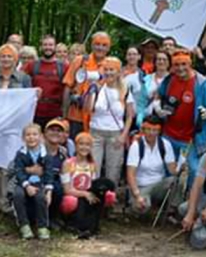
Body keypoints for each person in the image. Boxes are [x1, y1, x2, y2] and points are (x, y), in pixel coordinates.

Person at [156, 51, 206, 200]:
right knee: (167, 168)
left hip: (190, 138)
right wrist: (157, 107)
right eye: (176, 65)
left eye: (184, 64)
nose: (180, 68)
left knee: (194, 170)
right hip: (169, 134)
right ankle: (167, 201)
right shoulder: (169, 80)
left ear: (190, 64)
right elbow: (159, 96)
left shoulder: (202, 84)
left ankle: (190, 200)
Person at [0, 44, 32, 215]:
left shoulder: (23, 78)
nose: (6, 59)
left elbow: (28, 102)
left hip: (14, 127)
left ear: (15, 59)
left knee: (8, 165)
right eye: (3, 56)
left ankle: (5, 202)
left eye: (9, 56)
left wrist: (35, 94)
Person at [85, 56, 133, 189]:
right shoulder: (98, 88)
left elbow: (130, 116)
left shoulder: (125, 90)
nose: (108, 73)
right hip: (95, 132)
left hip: (116, 134)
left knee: (114, 169)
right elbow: (88, 109)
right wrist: (90, 91)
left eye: (112, 70)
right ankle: (93, 198)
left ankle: (111, 198)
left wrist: (124, 135)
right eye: (106, 69)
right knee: (93, 168)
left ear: (118, 72)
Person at [59, 132, 115, 239]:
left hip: (88, 194)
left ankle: (92, 225)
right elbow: (66, 189)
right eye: (81, 144)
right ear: (76, 145)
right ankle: (69, 222)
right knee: (71, 202)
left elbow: (94, 184)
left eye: (87, 144)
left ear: (91, 147)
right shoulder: (68, 163)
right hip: (73, 195)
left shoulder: (92, 164)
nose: (84, 147)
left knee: (108, 196)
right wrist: (84, 194)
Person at [126, 116, 182, 218]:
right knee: (142, 208)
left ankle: (172, 211)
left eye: (155, 130)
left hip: (158, 185)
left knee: (176, 181)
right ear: (143, 129)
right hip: (141, 186)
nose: (151, 133)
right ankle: (136, 205)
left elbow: (172, 170)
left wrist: (180, 166)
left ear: (159, 131)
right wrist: (137, 195)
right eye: (148, 129)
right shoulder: (136, 145)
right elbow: (130, 174)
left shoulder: (165, 144)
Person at [63, 32, 111, 137]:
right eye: (97, 44)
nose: (100, 48)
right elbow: (67, 87)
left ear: (109, 48)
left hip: (99, 118)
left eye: (104, 45)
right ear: (92, 45)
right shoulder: (79, 61)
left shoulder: (111, 65)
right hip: (76, 116)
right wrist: (64, 116)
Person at [12, 124, 52, 240]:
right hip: (23, 183)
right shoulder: (20, 154)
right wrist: (27, 186)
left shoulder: (46, 155)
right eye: (28, 135)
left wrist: (49, 191)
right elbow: (18, 171)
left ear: (41, 137)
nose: (31, 137)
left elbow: (49, 173)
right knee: (18, 195)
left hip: (40, 183)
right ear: (23, 138)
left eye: (35, 134)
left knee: (41, 198)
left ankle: (42, 226)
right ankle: (24, 225)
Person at [23, 34, 68, 129]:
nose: (48, 48)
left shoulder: (63, 67)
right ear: (41, 47)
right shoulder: (32, 66)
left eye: (51, 45)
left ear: (55, 47)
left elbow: (67, 90)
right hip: (35, 112)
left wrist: (65, 113)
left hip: (55, 113)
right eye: (45, 45)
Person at [43, 118, 72, 224]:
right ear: (45, 133)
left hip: (56, 181)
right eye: (52, 130)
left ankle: (54, 217)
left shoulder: (63, 152)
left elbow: (65, 172)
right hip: (39, 180)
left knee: (59, 188)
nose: (55, 132)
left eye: (59, 130)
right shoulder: (37, 149)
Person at [122, 46, 147, 129]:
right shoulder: (119, 72)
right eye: (129, 54)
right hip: (121, 113)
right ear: (126, 57)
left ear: (139, 57)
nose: (132, 57)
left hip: (136, 114)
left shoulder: (143, 74)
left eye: (134, 54)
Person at [143, 50, 172, 120]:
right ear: (155, 62)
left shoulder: (173, 80)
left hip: (167, 119)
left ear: (169, 63)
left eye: (164, 60)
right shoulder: (146, 79)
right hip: (147, 118)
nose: (161, 62)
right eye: (159, 59)